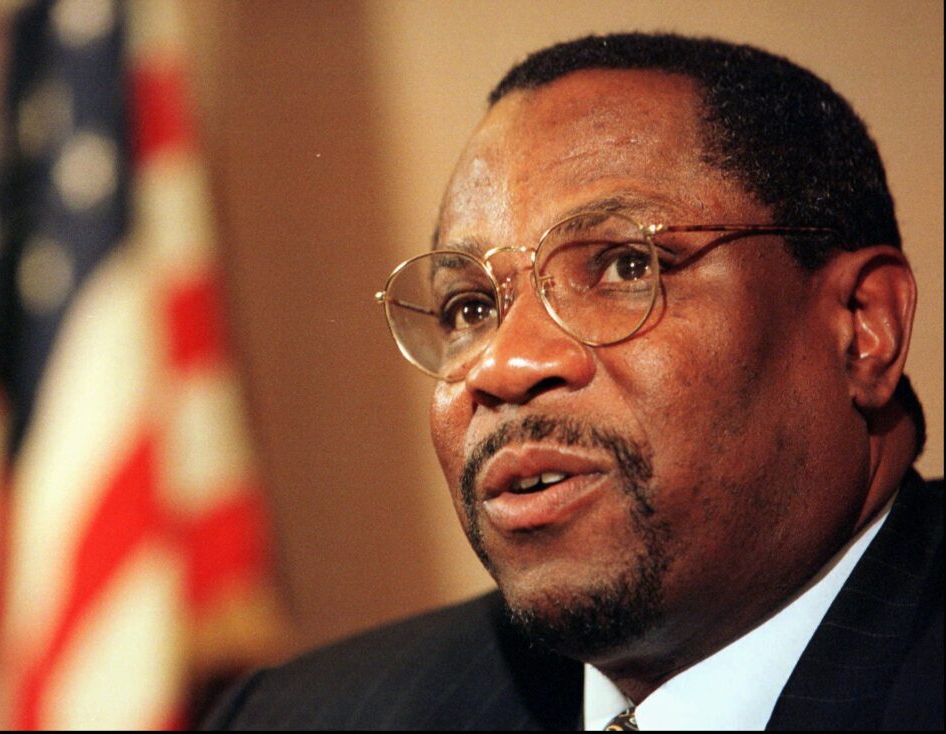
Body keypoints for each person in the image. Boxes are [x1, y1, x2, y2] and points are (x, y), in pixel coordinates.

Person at [204, 33, 942, 730]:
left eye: (626, 266)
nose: (504, 366)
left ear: (862, 326)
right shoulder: (303, 716)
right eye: (470, 307)